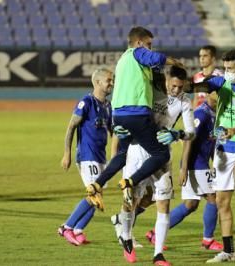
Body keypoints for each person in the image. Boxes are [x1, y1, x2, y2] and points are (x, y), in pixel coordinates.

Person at [85, 26, 184, 211]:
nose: (150, 48)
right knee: (161, 154)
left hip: (119, 116)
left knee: (123, 154)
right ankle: (131, 181)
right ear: (139, 43)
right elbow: (157, 58)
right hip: (136, 114)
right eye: (148, 44)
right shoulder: (137, 53)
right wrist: (175, 62)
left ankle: (97, 184)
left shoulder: (123, 60)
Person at [112, 66, 195, 266]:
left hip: (162, 155)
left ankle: (158, 255)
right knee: (131, 200)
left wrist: (178, 134)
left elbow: (191, 131)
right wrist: (119, 129)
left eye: (180, 87)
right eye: (173, 85)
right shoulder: (150, 90)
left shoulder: (185, 101)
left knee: (164, 203)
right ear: (166, 79)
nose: (176, 90)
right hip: (138, 151)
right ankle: (126, 236)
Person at [188, 49, 235, 263]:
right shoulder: (221, 83)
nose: (227, 72)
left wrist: (234, 130)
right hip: (222, 151)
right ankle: (229, 251)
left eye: (230, 68)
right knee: (222, 201)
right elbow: (199, 87)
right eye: (226, 68)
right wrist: (184, 85)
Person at [143, 92, 223, 252]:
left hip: (202, 163)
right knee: (214, 198)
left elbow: (212, 142)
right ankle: (208, 240)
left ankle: (155, 234)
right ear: (210, 93)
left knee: (190, 204)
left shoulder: (215, 113)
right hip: (196, 164)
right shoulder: (201, 113)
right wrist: (184, 168)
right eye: (219, 92)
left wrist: (215, 163)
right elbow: (188, 140)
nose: (222, 95)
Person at [57, 68, 113, 246]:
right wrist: (67, 153)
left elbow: (112, 131)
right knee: (93, 195)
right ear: (97, 82)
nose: (111, 84)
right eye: (108, 81)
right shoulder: (86, 102)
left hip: (101, 157)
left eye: (112, 81)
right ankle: (66, 227)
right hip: (87, 156)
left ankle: (78, 230)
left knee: (98, 196)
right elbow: (71, 126)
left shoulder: (107, 106)